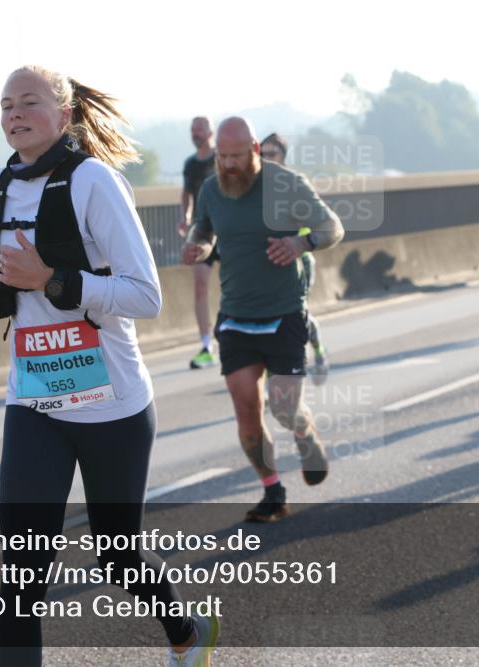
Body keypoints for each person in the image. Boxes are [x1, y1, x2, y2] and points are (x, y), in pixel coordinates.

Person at [0, 65, 218, 666]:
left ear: (63, 115)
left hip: (111, 403)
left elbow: (146, 295)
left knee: (119, 556)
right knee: (20, 576)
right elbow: (0, 273)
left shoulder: (95, 182)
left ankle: (186, 633)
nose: (14, 113)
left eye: (29, 103)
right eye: (6, 104)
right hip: (35, 400)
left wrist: (56, 280)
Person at [182, 117, 344, 522]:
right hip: (236, 314)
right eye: (223, 156)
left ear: (254, 149)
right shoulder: (211, 189)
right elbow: (204, 230)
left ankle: (304, 432)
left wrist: (300, 241)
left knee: (285, 408)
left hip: (284, 311)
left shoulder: (286, 184)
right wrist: (197, 247)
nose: (230, 164)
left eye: (237, 156)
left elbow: (332, 226)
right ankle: (273, 491)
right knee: (246, 408)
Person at [260, 131, 329, 382]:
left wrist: (299, 243)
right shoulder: (255, 187)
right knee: (265, 319)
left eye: (271, 154)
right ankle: (269, 379)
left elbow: (323, 225)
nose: (266, 159)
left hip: (298, 263)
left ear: (282, 157)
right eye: (262, 154)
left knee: (294, 316)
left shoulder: (294, 185)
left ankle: (318, 350)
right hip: (267, 264)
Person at [177, 117, 219, 369]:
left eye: (200, 129)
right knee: (200, 286)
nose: (196, 133)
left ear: (210, 131)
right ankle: (206, 345)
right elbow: (186, 194)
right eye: (192, 129)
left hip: (227, 228)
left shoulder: (222, 158)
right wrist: (186, 217)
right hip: (202, 230)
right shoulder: (191, 164)